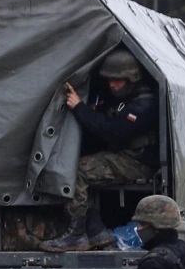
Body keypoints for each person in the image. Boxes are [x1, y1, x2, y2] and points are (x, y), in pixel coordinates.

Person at [43, 47, 160, 252]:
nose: (112, 85)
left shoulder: (144, 103)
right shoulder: (120, 97)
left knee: (78, 171)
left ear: (132, 79)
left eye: (118, 80)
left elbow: (115, 131)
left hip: (137, 162)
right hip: (123, 157)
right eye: (109, 80)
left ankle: (76, 235)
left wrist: (80, 108)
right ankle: (97, 232)